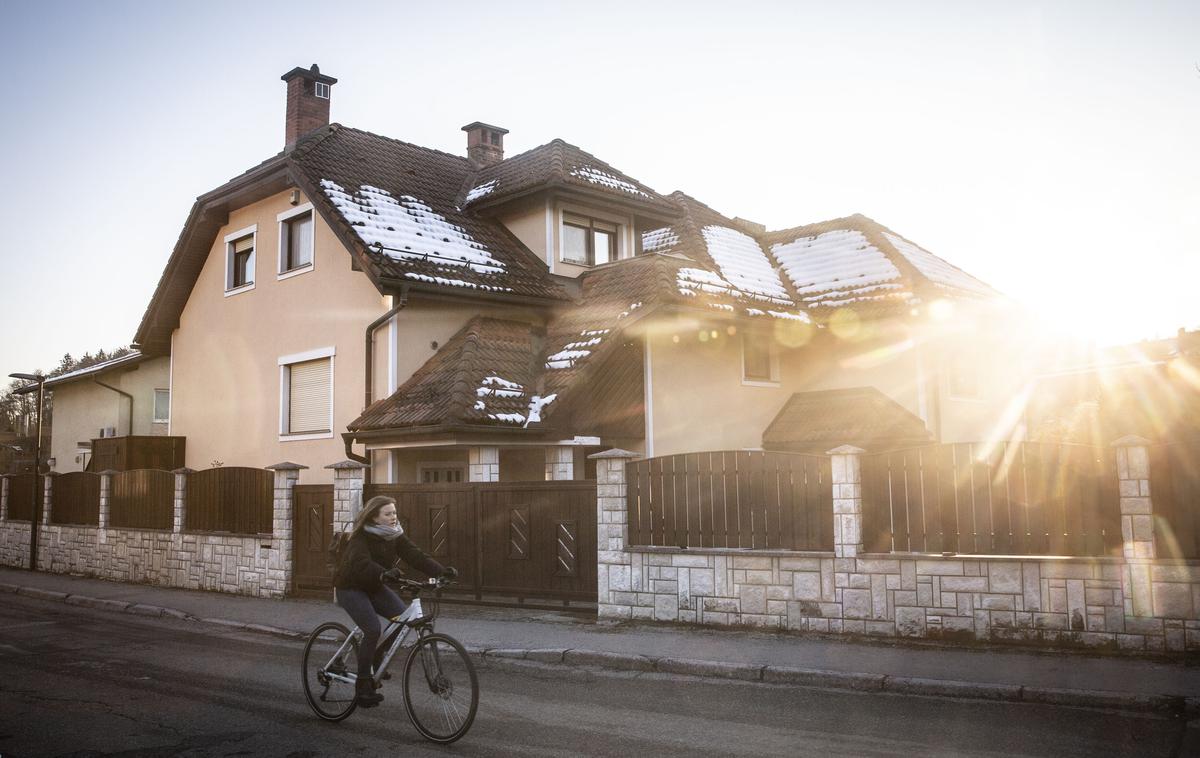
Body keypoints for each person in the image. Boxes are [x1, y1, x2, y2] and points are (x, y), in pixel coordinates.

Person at [332, 495, 457, 707]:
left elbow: (415, 555)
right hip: (350, 588)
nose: (393, 517)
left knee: (402, 621)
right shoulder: (360, 537)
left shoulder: (394, 535)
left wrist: (442, 572)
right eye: (388, 514)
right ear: (374, 517)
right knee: (372, 629)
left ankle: (375, 657)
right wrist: (383, 573)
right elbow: (361, 563)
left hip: (375, 586)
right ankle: (363, 688)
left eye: (394, 513)